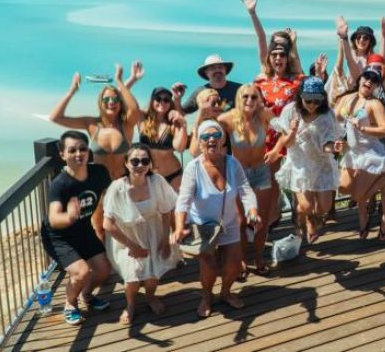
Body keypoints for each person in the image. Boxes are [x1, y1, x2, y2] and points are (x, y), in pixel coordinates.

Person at [174, 120, 262, 318]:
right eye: (205, 136)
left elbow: (245, 189)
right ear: (200, 142)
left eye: (216, 136)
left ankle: (225, 293)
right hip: (202, 226)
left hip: (228, 223)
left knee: (233, 265)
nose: (211, 139)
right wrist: (179, 227)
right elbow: (183, 200)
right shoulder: (193, 168)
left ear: (223, 140)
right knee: (210, 266)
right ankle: (206, 296)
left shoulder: (232, 163)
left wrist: (252, 211)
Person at [102, 144, 181, 324]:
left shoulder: (157, 181)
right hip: (126, 238)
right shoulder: (117, 188)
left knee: (153, 274)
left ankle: (151, 297)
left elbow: (166, 211)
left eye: (145, 161)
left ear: (150, 164)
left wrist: (165, 240)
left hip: (154, 233)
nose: (140, 165)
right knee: (133, 277)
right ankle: (130, 305)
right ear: (127, 164)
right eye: (134, 161)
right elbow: (107, 224)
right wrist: (133, 247)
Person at [40, 131, 113, 325]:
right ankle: (70, 304)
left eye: (82, 149)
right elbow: (54, 218)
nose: (79, 154)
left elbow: (113, 192)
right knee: (81, 272)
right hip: (59, 236)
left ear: (89, 151)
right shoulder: (60, 185)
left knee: (104, 270)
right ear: (62, 155)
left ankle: (86, 295)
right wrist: (70, 216)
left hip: (83, 229)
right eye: (72, 150)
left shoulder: (99, 172)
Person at [272, 77, 343, 243]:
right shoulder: (290, 111)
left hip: (321, 162)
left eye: (316, 101)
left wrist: (334, 148)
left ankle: (312, 219)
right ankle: (303, 218)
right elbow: (286, 143)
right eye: (308, 100)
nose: (312, 105)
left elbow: (327, 144)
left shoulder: (327, 115)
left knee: (324, 207)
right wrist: (292, 131)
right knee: (306, 206)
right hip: (299, 163)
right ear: (300, 97)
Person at [219, 84, 278, 276]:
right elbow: (208, 135)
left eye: (254, 97)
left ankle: (259, 257)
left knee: (261, 220)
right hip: (238, 175)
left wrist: (277, 149)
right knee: (241, 221)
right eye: (245, 97)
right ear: (238, 98)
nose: (249, 101)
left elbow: (285, 129)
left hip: (261, 172)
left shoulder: (264, 115)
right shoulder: (227, 119)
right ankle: (243, 259)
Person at [50, 64, 140, 180]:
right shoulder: (91, 124)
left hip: (123, 182)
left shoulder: (126, 124)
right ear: (100, 103)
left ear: (121, 103)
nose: (111, 102)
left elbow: (134, 109)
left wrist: (119, 81)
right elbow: (55, 117)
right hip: (99, 184)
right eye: (106, 99)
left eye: (115, 99)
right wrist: (71, 91)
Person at [336, 69, 385, 239]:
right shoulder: (347, 99)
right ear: (360, 78)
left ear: (376, 86)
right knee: (344, 187)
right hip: (353, 152)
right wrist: (340, 140)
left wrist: (364, 128)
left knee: (362, 193)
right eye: (367, 77)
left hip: (371, 152)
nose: (369, 81)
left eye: (374, 80)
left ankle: (379, 220)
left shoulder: (374, 104)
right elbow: (336, 119)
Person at [255, 38, 306, 228]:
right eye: (274, 55)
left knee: (298, 183)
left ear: (288, 57)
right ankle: (271, 220)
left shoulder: (297, 80)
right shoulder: (261, 81)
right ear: (269, 58)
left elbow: (308, 101)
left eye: (282, 55)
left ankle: (299, 222)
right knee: (272, 183)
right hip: (270, 139)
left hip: (294, 138)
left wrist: (294, 45)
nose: (278, 58)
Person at [137, 86, 188, 191]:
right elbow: (129, 104)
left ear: (170, 103)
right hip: (150, 176)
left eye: (166, 100)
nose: (162, 102)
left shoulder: (173, 123)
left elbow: (180, 148)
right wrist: (130, 80)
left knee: (176, 207)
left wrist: (183, 125)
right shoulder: (142, 119)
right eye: (158, 99)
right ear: (152, 101)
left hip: (173, 175)